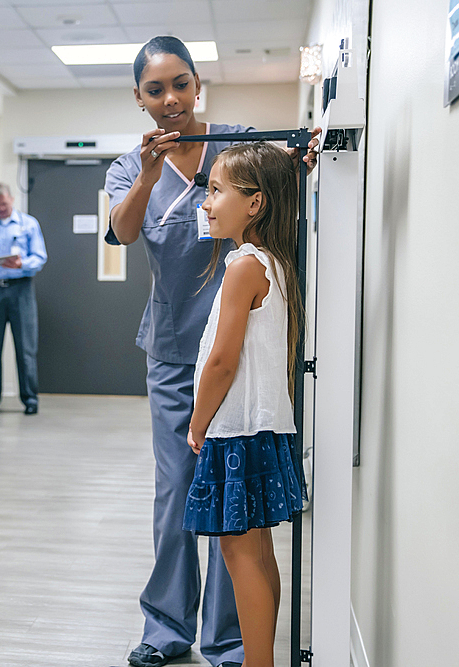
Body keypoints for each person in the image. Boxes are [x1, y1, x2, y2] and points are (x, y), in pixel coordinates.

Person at [103, 36, 319, 667]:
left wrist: (303, 159)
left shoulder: (238, 142)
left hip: (243, 352)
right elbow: (122, 230)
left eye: (180, 84)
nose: (170, 99)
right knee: (176, 490)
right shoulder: (127, 166)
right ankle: (167, 628)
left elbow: (279, 181)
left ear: (198, 84)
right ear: (139, 99)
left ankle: (227, 641)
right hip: (174, 353)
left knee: (231, 495)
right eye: (154, 89)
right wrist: (148, 174)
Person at [185, 142, 308, 667]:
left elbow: (221, 362)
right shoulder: (271, 262)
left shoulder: (244, 267)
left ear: (255, 203)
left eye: (217, 190)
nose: (207, 203)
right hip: (263, 428)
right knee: (257, 552)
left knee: (239, 554)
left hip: (236, 429)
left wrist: (197, 421)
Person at [0, 183, 47, 415]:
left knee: (25, 348)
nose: (1, 208)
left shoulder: (28, 225)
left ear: (12, 200)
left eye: (4, 204)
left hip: (20, 289)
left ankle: (30, 399)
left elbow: (40, 257)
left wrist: (22, 263)